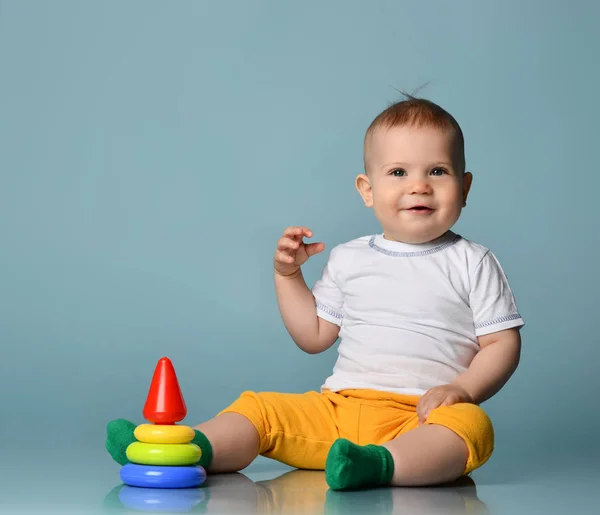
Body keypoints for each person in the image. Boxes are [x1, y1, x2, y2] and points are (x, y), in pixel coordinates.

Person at [106, 95, 524, 491]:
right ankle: (177, 450)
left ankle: (378, 465)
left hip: (421, 419)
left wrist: (463, 391)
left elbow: (502, 343)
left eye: (438, 171)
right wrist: (287, 277)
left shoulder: (472, 261)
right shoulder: (350, 258)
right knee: (259, 408)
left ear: (464, 187)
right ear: (367, 189)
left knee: (472, 428)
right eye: (398, 172)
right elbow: (314, 336)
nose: (419, 186)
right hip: (336, 412)